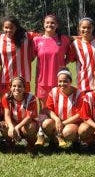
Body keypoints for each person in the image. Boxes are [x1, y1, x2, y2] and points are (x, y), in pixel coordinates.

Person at [33, 14, 71, 146]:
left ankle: (58, 135)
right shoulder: (37, 40)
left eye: (52, 23)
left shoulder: (64, 40)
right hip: (42, 81)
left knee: (58, 110)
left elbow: (70, 57)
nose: (50, 25)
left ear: (57, 25)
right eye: (47, 23)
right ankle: (41, 134)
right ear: (43, 24)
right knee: (43, 110)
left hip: (59, 82)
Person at [0, 16, 38, 96]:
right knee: (6, 105)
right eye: (6, 27)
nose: (9, 30)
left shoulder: (27, 36)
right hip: (5, 79)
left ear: (16, 27)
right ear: (2, 28)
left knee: (23, 105)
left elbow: (45, 38)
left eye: (11, 27)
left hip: (23, 79)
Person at [41, 68, 83, 148]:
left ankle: (76, 141)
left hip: (72, 123)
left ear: (70, 82)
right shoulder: (54, 91)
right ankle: (54, 141)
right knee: (46, 124)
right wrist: (57, 120)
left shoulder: (78, 94)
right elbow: (48, 109)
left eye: (65, 81)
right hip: (57, 121)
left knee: (68, 132)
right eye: (60, 81)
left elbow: (79, 114)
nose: (62, 83)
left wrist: (63, 123)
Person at [68, 17, 95, 92]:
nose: (86, 30)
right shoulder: (75, 44)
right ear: (79, 28)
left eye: (89, 27)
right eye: (83, 27)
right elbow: (70, 59)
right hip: (84, 82)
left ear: (93, 28)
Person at [0, 76, 38, 152]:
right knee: (4, 126)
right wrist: (11, 127)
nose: (16, 88)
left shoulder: (31, 98)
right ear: (10, 87)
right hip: (14, 122)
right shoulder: (6, 97)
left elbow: (29, 117)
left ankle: (31, 145)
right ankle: (10, 144)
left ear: (24, 88)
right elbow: (6, 114)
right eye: (14, 86)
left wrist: (17, 128)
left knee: (30, 127)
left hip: (26, 124)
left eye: (20, 86)